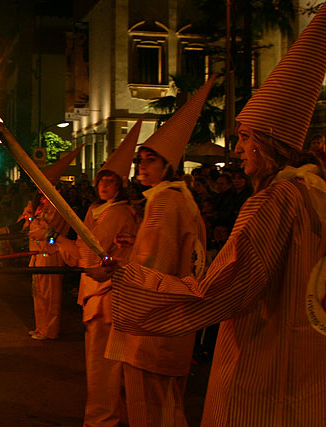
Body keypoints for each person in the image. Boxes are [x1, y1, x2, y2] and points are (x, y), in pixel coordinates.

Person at [99, 1, 326, 424]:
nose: (239, 149)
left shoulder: (275, 201)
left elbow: (219, 292)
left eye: (245, 137)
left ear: (269, 141)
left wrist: (126, 278)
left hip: (271, 384)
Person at [95, 77, 214, 426]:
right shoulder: (181, 199)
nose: (141, 167)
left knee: (150, 412)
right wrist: (134, 248)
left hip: (152, 330)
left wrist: (118, 267)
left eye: (150, 160)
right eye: (140, 160)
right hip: (176, 326)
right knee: (168, 409)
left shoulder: (164, 202)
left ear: (168, 167)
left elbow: (153, 270)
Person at [56, 118, 142, 426]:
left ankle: (102, 419)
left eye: (111, 181)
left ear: (120, 186)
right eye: (102, 180)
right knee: (107, 363)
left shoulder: (119, 213)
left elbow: (93, 253)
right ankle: (118, 414)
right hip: (94, 292)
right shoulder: (94, 210)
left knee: (103, 364)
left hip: (108, 294)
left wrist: (63, 243)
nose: (105, 185)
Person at [20, 143, 84, 340]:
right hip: (36, 254)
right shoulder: (38, 204)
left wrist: (34, 223)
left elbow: (46, 230)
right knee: (38, 293)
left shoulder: (57, 206)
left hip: (50, 254)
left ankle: (50, 329)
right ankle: (40, 327)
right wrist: (30, 218)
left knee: (50, 295)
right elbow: (28, 227)